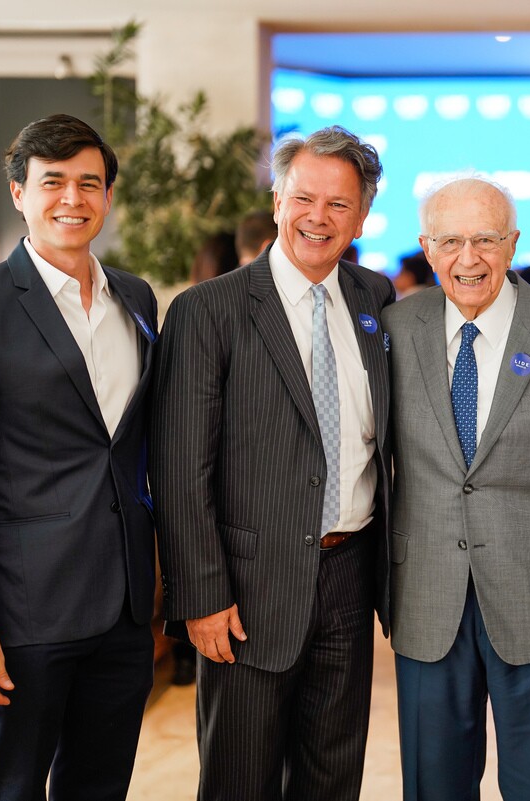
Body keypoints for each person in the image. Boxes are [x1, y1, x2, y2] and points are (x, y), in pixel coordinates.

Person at [0, 114, 158, 799]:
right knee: (13, 787)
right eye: (53, 182)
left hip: (124, 609)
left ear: (108, 197)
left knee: (100, 786)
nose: (72, 199)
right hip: (22, 616)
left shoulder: (135, 299)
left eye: (89, 183)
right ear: (20, 192)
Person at [149, 125, 394, 800]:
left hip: (349, 574)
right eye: (304, 198)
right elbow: (179, 466)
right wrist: (200, 593)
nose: (319, 216)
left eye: (338, 204)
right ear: (278, 198)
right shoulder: (209, 310)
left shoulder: (376, 300)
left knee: (330, 775)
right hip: (246, 590)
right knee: (240, 778)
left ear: (363, 215)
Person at [382, 177, 530, 801]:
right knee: (434, 786)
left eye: (485, 239)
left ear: (512, 243)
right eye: (451, 241)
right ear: (426, 248)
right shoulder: (393, 329)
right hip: (427, 594)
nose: (469, 258)